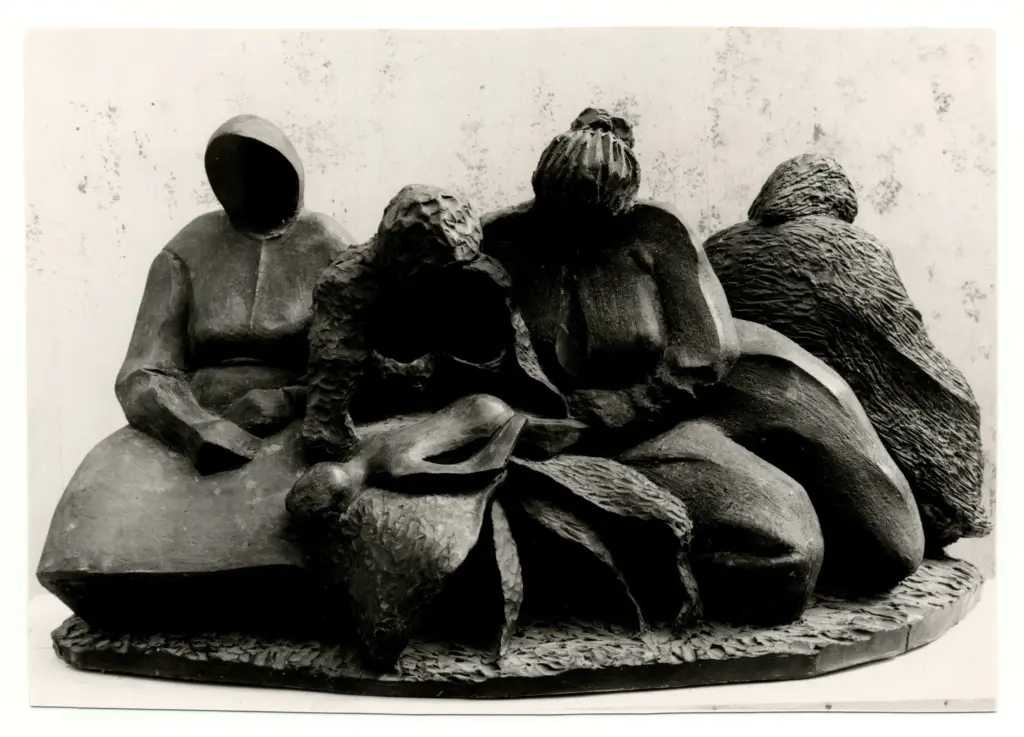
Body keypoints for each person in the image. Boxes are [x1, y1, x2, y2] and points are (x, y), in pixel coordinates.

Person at [37, 115, 355, 631]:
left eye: (264, 167)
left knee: (299, 529)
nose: (248, 182)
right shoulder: (187, 250)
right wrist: (197, 429)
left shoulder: (328, 245)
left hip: (297, 420)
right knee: (93, 524)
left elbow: (356, 358)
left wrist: (290, 400)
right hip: (193, 418)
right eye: (234, 171)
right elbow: (143, 371)